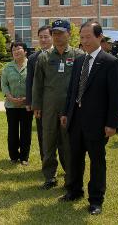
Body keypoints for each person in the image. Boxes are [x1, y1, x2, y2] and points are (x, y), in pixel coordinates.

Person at [60, 21, 118, 215]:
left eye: (88, 37)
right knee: (75, 158)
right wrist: (65, 112)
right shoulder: (79, 60)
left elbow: (116, 97)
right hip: (76, 120)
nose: (84, 41)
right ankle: (74, 190)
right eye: (82, 37)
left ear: (99, 37)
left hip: (97, 123)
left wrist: (111, 123)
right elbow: (72, 91)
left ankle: (96, 200)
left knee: (97, 161)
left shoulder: (111, 62)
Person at [32, 20, 84, 190]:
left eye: (61, 33)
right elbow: (37, 83)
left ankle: (71, 177)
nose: (57, 36)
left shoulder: (78, 55)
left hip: (71, 109)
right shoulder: (44, 57)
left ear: (69, 34)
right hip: (48, 108)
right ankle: (50, 177)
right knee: (48, 142)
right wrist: (36, 105)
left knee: (69, 144)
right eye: (54, 33)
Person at [1, 42, 31, 166]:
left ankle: (24, 157)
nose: (16, 51)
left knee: (26, 131)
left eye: (19, 49)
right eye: (14, 50)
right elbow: (4, 85)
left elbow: (35, 83)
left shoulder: (31, 65)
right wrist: (11, 98)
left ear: (25, 51)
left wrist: (27, 98)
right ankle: (13, 156)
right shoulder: (7, 67)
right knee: (12, 131)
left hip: (27, 105)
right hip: (11, 105)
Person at [26, 25, 53, 162]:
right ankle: (45, 162)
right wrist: (30, 102)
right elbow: (29, 82)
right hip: (40, 104)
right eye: (40, 37)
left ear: (52, 37)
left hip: (58, 103)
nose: (43, 40)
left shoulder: (60, 55)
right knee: (43, 135)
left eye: (46, 36)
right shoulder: (33, 58)